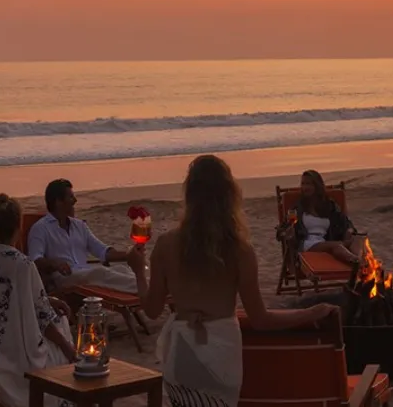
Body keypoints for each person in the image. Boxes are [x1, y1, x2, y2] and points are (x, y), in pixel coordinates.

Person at [143, 155, 337, 407]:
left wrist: (137, 270)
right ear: (229, 196)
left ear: (189, 195)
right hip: (221, 350)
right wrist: (311, 313)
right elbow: (260, 319)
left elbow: (152, 310)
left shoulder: (166, 245)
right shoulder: (239, 250)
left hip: (182, 351)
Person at [0, 194, 76, 407]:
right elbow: (42, 318)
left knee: (55, 315)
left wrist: (49, 300)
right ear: (19, 226)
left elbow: (6, 295)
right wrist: (67, 348)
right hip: (10, 343)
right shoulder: (22, 264)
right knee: (60, 322)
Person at [27, 178, 148, 295]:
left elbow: (102, 251)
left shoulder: (79, 226)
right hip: (64, 279)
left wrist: (129, 255)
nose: (75, 201)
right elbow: (34, 260)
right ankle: (148, 290)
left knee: (121, 269)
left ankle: (147, 286)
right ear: (58, 202)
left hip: (84, 273)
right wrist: (55, 263)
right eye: (70, 197)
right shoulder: (40, 228)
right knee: (99, 272)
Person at [290, 170, 360, 266]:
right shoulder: (298, 207)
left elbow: (345, 221)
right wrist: (290, 231)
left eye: (309, 184)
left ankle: (359, 263)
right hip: (307, 244)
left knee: (356, 240)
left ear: (317, 185)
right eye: (303, 184)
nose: (305, 187)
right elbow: (286, 226)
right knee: (337, 245)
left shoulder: (329, 205)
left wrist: (350, 230)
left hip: (326, 241)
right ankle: (357, 262)